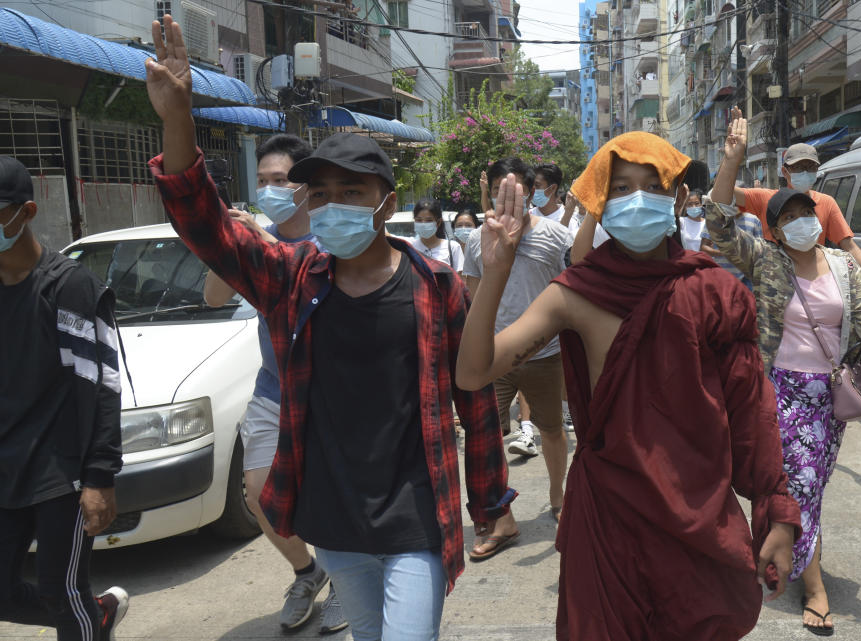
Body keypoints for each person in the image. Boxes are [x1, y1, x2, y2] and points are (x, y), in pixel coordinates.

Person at [145, 16, 514, 641]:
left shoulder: (435, 287)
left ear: (385, 202)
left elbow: (472, 401)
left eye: (353, 191)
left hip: (415, 515)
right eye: (322, 195)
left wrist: (489, 503)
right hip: (333, 512)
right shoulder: (290, 278)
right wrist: (179, 114)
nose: (335, 205)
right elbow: (204, 224)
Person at [456, 131, 802, 641]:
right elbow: (472, 373)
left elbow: (752, 413)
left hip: (697, 509)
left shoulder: (714, 291)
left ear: (679, 198)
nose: (636, 199)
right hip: (609, 513)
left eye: (653, 185)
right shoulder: (575, 294)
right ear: (599, 199)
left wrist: (776, 513)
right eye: (620, 188)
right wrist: (496, 269)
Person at [706, 114, 861, 636]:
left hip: (831, 396)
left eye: (811, 213)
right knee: (801, 484)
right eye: (793, 216)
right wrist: (732, 160)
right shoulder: (768, 260)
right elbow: (717, 222)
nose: (804, 220)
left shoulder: (842, 267)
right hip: (779, 391)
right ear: (777, 229)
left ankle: (776, 543)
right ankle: (814, 586)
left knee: (811, 485)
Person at [202, 134, 347, 634]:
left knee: (333, 497)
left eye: (280, 181)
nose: (269, 190)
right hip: (272, 389)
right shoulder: (256, 236)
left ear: (305, 188)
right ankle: (308, 572)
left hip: (326, 392)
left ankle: (348, 586)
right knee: (260, 493)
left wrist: (262, 244)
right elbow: (216, 296)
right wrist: (229, 245)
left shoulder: (333, 238)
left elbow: (313, 281)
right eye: (262, 181)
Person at [0, 156, 128, 641]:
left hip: (62, 471)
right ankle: (96, 617)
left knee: (61, 590)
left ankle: (84, 619)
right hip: (6, 466)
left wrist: (99, 476)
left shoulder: (68, 286)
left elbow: (101, 386)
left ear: (25, 212)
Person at [462, 157, 573, 547]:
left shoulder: (558, 238)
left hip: (547, 354)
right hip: (494, 356)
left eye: (515, 191)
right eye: (497, 190)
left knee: (551, 430)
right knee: (485, 435)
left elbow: (572, 295)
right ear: (490, 193)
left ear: (531, 193)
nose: (505, 198)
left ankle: (558, 497)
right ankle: (500, 517)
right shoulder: (477, 240)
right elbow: (473, 297)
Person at [723, 107, 861, 302]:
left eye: (811, 167)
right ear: (785, 172)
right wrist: (731, 158)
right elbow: (724, 195)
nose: (806, 171)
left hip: (814, 286)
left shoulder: (826, 202)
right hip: (775, 285)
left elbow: (848, 245)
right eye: (799, 167)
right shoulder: (766, 199)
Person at [411, 199, 464, 272]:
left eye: (428, 220)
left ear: (438, 222)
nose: (423, 224)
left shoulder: (453, 248)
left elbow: (460, 280)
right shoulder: (409, 248)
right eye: (419, 220)